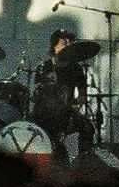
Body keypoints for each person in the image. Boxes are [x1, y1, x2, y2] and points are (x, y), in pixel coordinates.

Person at [33, 29, 93, 161]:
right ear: (54, 46)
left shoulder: (76, 68)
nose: (68, 45)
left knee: (88, 127)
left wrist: (75, 106)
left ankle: (84, 163)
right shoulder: (43, 67)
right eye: (64, 43)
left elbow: (83, 95)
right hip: (45, 114)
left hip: (68, 112)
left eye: (70, 43)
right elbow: (36, 96)